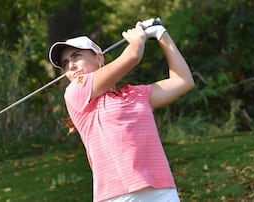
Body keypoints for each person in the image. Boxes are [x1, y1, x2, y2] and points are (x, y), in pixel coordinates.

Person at [48, 20, 194, 202]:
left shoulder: (137, 94)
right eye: (65, 63)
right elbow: (133, 55)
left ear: (99, 58)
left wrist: (161, 34)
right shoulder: (75, 92)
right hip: (117, 194)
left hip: (161, 188)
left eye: (76, 56)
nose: (71, 66)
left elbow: (183, 81)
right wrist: (137, 40)